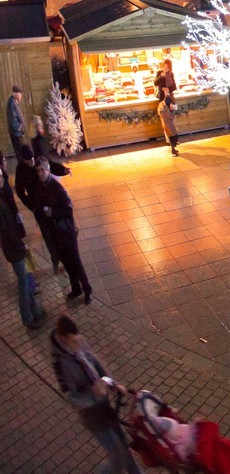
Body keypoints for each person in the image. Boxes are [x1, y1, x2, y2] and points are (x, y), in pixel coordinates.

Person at [52, 315, 141, 472]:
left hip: (105, 407)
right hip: (93, 416)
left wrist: (112, 383)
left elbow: (96, 363)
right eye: (73, 341)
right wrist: (94, 395)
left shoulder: (77, 340)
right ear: (62, 338)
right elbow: (72, 398)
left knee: (124, 447)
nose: (77, 345)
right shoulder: (60, 365)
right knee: (117, 456)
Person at [35, 155, 91, 302]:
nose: (40, 173)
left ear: (48, 170)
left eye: (42, 170)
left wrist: (53, 213)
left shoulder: (56, 188)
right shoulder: (40, 188)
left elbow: (68, 209)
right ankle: (76, 289)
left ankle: (87, 289)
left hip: (66, 232)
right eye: (38, 171)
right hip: (55, 233)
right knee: (66, 262)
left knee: (75, 262)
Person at [1, 166, 42, 327]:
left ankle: (35, 312)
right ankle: (28, 318)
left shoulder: (2, 197)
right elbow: (6, 232)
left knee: (26, 278)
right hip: (14, 249)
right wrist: (20, 245)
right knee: (23, 282)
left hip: (15, 246)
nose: (3, 179)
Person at [13, 147, 58, 274]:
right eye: (29, 161)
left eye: (33, 159)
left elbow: (51, 165)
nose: (32, 163)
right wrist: (31, 206)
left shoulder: (39, 159)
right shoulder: (20, 170)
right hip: (38, 207)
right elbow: (20, 192)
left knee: (57, 230)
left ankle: (61, 256)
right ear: (24, 160)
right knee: (47, 234)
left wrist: (63, 170)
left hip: (49, 202)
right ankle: (55, 260)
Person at [154, 59, 179, 156]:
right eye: (164, 66)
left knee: (173, 117)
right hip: (163, 100)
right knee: (166, 121)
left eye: (167, 66)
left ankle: (174, 140)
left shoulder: (171, 74)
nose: (166, 68)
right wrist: (161, 76)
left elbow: (174, 86)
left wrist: (168, 89)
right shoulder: (159, 74)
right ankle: (169, 140)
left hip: (171, 98)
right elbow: (155, 83)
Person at [6, 85, 26, 159]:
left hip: (17, 134)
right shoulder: (12, 104)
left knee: (21, 153)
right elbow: (13, 122)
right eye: (21, 95)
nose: (21, 97)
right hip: (16, 134)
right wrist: (20, 128)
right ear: (17, 94)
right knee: (20, 155)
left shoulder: (14, 102)